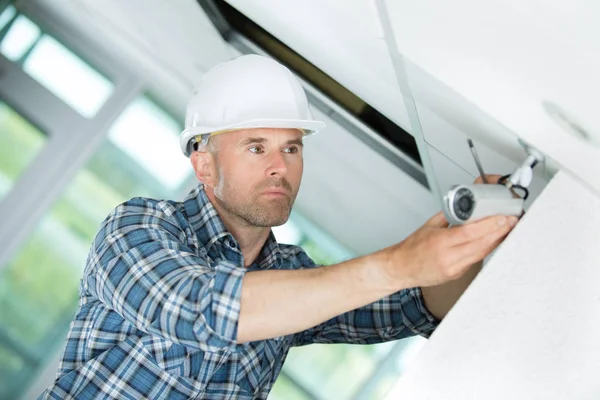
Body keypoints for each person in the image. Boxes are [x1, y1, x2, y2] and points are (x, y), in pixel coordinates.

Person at [39, 54, 517, 400]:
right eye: (255, 147)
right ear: (203, 165)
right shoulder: (135, 230)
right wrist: (398, 264)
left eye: (291, 148)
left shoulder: (292, 273)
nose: (279, 167)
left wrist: (470, 234)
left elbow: (413, 305)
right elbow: (204, 311)